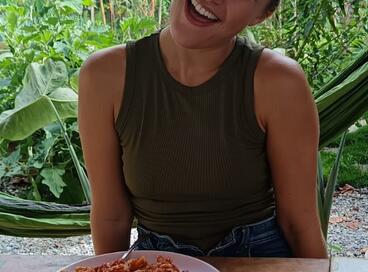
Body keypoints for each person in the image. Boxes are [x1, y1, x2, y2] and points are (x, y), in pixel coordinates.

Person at [78, 0, 328, 258]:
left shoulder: (280, 82)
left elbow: (298, 224)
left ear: (262, 14)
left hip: (259, 260)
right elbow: (111, 217)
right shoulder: (104, 76)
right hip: (156, 266)